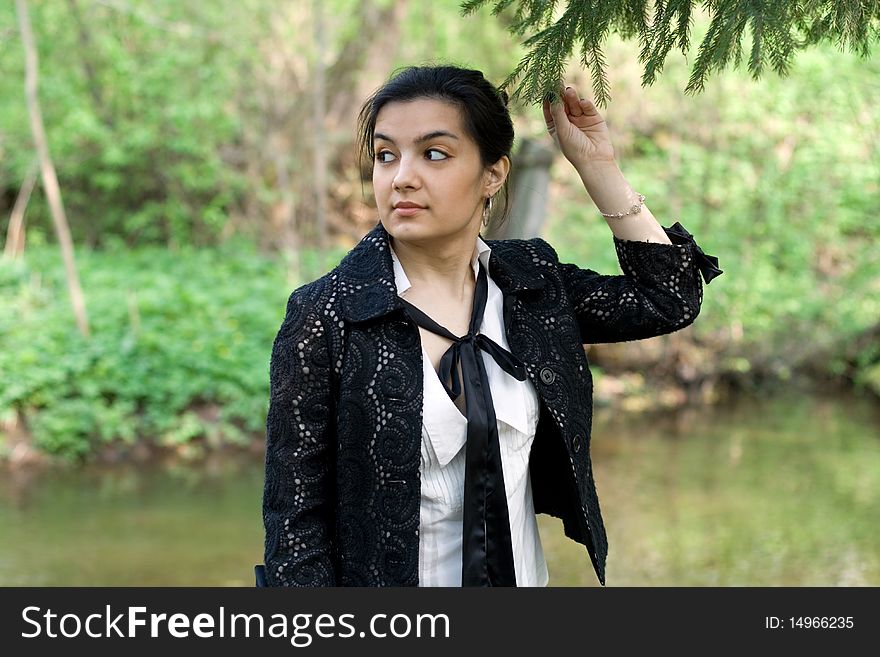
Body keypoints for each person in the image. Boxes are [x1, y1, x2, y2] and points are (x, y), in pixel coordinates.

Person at [261, 65, 722, 587]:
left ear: (493, 175)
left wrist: (597, 166)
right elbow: (295, 534)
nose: (401, 176)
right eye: (386, 155)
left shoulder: (531, 285)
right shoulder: (328, 315)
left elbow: (668, 299)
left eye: (434, 153)